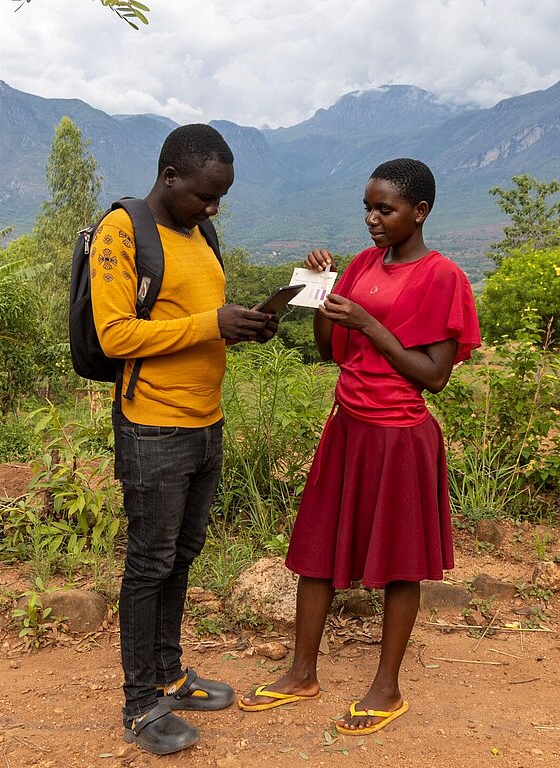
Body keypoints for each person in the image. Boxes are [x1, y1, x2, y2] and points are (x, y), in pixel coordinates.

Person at [239, 158, 480, 735]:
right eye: (367, 207)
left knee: (401, 562)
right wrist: (323, 289)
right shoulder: (365, 265)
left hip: (400, 436)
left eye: (385, 209)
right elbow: (329, 349)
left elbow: (434, 375)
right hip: (347, 426)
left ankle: (386, 687)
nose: (372, 219)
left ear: (419, 212)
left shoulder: (443, 277)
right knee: (317, 548)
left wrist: (371, 324)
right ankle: (302, 672)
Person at [90, 124, 277, 755]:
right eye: (204, 195)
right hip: (153, 427)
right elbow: (116, 335)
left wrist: (241, 327)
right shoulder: (122, 232)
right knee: (148, 564)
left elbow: (193, 324)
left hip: (205, 422)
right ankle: (140, 704)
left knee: (180, 556)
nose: (212, 208)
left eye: (220, 197)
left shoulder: (202, 234)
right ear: (170, 177)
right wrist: (210, 323)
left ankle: (169, 672)